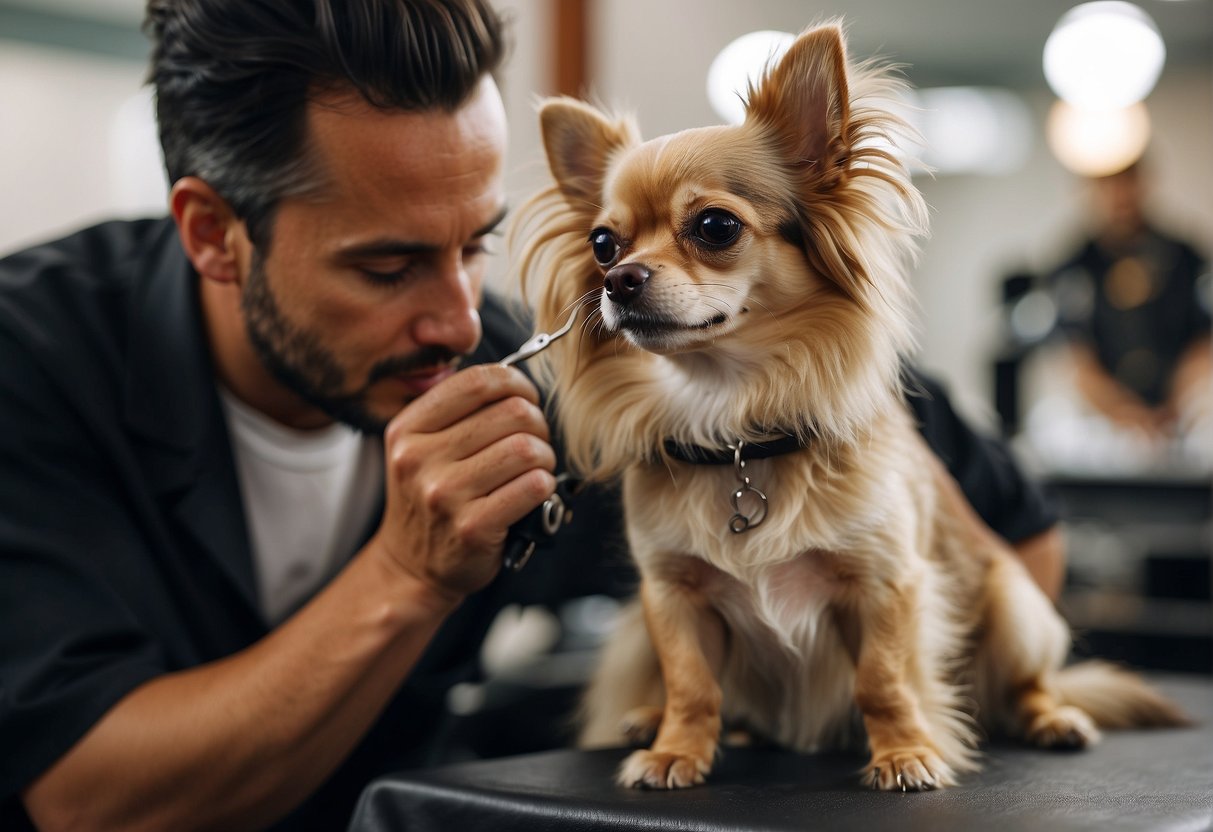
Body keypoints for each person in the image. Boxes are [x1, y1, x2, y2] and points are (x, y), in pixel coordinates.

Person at [0, 2, 1062, 829]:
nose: (461, 320)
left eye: (474, 244)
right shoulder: (32, 362)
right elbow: (92, 801)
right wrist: (407, 574)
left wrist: (864, 474)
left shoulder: (568, 381)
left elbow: (1022, 538)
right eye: (386, 267)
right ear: (212, 235)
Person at [1049, 161, 1211, 443]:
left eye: (1127, 181)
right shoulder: (1075, 267)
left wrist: (1175, 406)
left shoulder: (1185, 259)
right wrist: (1122, 411)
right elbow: (1074, 354)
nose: (1120, 194)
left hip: (1181, 420)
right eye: (1108, 184)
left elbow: (1204, 340)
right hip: (1103, 427)